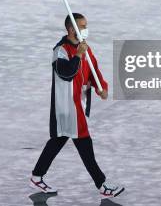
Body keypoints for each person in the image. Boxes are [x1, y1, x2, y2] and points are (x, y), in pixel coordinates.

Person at [29, 13, 125, 198]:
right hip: (66, 106)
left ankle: (37, 175)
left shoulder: (85, 49)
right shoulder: (60, 51)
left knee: (59, 139)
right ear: (72, 29)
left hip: (77, 103)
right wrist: (78, 55)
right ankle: (102, 185)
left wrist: (101, 87)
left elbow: (93, 70)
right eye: (82, 26)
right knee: (84, 142)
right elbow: (66, 73)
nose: (86, 29)